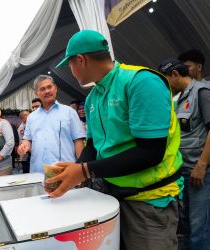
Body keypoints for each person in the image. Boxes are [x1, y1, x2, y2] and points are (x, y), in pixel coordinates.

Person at [49, 30, 183, 249]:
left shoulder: (141, 82)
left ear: (81, 60)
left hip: (148, 200)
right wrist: (77, 168)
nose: (70, 71)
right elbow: (93, 144)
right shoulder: (93, 96)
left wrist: (84, 171)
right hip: (110, 197)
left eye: (70, 64)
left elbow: (151, 152)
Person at [158, 59, 210, 250]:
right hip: (184, 172)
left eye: (166, 81)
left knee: (200, 229)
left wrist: (202, 165)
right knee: (186, 226)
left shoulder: (201, 92)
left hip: (201, 173)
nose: (166, 87)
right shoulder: (178, 99)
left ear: (175, 75)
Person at [17, 75, 85, 173]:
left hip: (65, 171)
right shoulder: (32, 117)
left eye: (49, 87)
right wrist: (23, 146)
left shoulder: (69, 112)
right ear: (36, 93)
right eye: (42, 89)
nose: (47, 91)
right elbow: (27, 139)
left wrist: (81, 169)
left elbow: (78, 142)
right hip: (38, 171)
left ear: (55, 88)